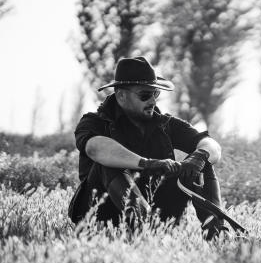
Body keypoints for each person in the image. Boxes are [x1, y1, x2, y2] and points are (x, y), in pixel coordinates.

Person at [69, 56, 230, 240]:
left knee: (202, 162)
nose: (152, 101)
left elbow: (212, 145)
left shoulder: (165, 123)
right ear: (121, 95)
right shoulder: (94, 122)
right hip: (102, 217)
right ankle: (143, 231)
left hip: (157, 215)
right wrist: (147, 164)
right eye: (145, 95)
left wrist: (199, 156)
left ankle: (216, 234)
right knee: (106, 164)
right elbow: (95, 149)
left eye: (155, 94)